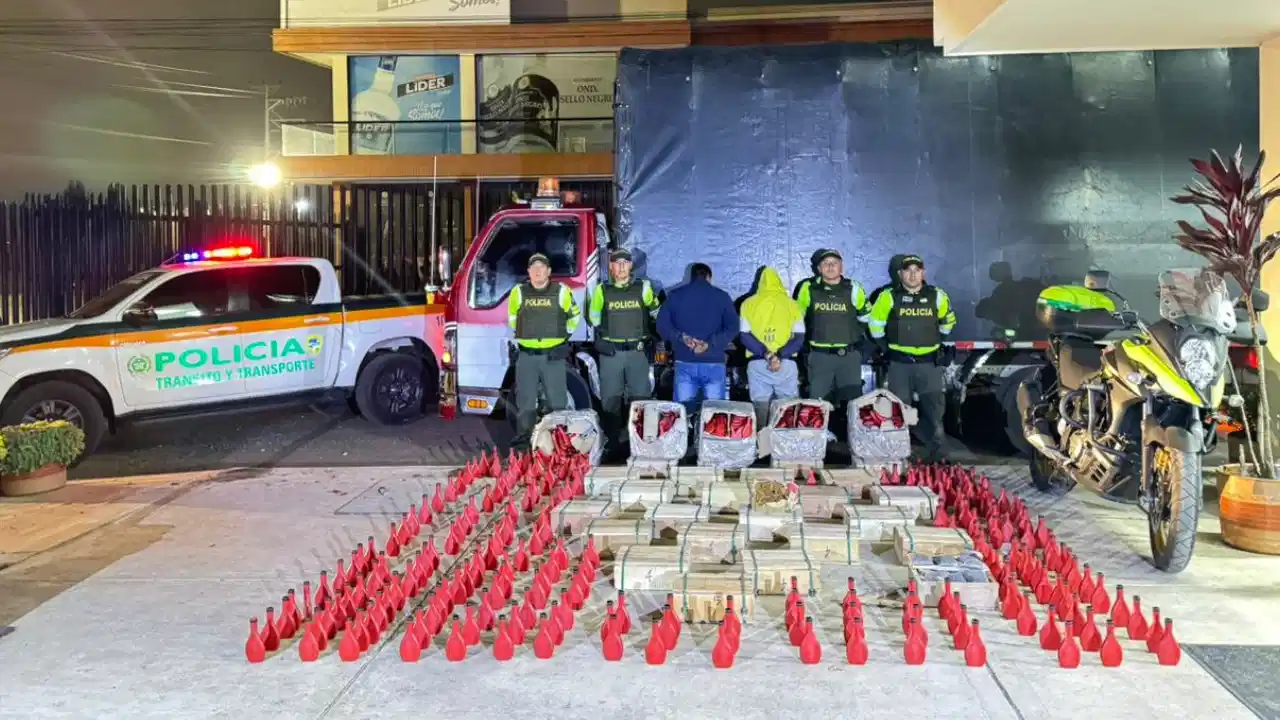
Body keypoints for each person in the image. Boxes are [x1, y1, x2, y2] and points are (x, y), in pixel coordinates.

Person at [866, 254, 957, 462]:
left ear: (923, 273)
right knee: (899, 411)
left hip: (929, 364)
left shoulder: (937, 296)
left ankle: (939, 456)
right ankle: (899, 454)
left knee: (934, 411)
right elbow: (875, 325)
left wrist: (937, 341)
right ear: (900, 274)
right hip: (900, 364)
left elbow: (948, 321)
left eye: (917, 270)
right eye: (908, 271)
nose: (913, 275)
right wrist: (886, 348)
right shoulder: (888, 296)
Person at [588, 248, 661, 453]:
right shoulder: (601, 290)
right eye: (617, 263)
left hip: (637, 352)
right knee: (610, 399)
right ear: (611, 267)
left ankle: (642, 444)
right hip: (612, 354)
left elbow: (656, 312)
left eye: (625, 263)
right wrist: (601, 340)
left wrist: (655, 336)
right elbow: (594, 319)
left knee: (641, 398)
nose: (621, 267)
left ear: (630, 266)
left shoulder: (643, 288)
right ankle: (613, 444)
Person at [507, 253, 582, 448]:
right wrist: (526, 337)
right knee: (525, 403)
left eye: (542, 267)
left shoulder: (561, 291)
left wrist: (564, 338)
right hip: (527, 356)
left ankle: (558, 445)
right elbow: (512, 318)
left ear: (549, 271)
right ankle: (526, 445)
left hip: (552, 356)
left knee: (557, 403)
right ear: (528, 272)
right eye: (534, 267)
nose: (538, 271)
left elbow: (575, 316)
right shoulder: (518, 292)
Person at [656, 262, 738, 423]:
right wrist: (710, 344)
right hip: (714, 362)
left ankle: (684, 437)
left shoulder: (675, 295)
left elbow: (662, 326)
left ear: (691, 277)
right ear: (709, 277)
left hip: (684, 361)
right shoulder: (722, 296)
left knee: (682, 414)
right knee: (715, 414)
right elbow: (733, 327)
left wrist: (682, 338)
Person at [794, 248, 871, 413]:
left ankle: (852, 430)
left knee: (853, 404)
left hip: (848, 356)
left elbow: (866, 316)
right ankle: (818, 431)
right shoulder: (808, 288)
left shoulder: (854, 288)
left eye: (834, 263)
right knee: (816, 404)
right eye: (825, 263)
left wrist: (854, 335)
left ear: (841, 267)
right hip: (819, 356)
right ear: (818, 268)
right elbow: (797, 317)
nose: (830, 267)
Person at [738, 267, 805, 428]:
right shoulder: (792, 305)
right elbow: (799, 337)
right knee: (787, 405)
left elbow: (744, 335)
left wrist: (767, 354)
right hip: (786, 363)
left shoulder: (747, 304)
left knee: (760, 403)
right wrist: (779, 356)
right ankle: (785, 439)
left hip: (758, 363)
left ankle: (762, 438)